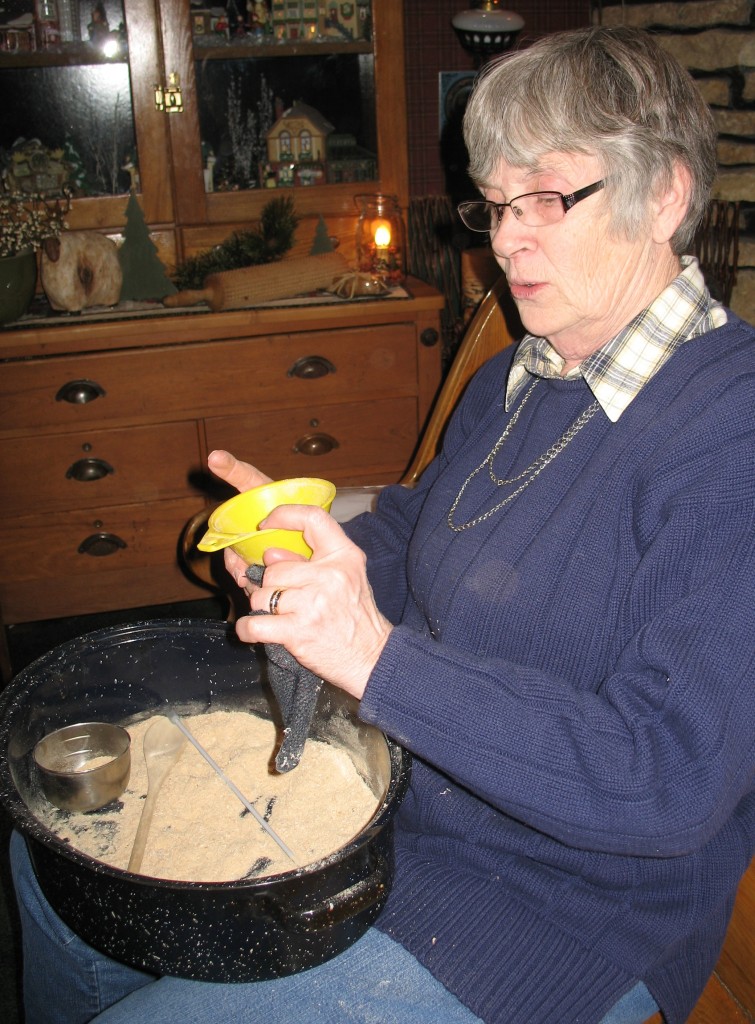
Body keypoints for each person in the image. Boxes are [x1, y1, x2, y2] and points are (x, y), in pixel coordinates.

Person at [10, 25, 755, 1024]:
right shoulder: (519, 375)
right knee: (59, 859)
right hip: (398, 796)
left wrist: (375, 659)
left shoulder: (727, 434)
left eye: (542, 197)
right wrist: (314, 553)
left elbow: (664, 781)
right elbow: (422, 524)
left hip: (557, 906)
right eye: (492, 204)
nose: (503, 240)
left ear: (663, 192)